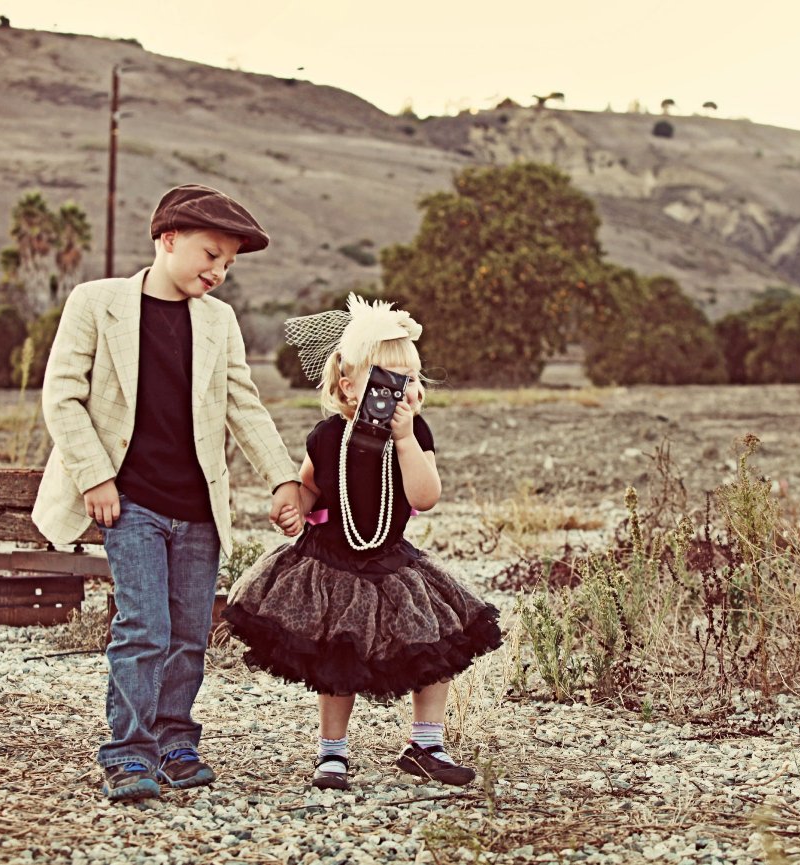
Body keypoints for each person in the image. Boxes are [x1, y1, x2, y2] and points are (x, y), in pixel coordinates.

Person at [32, 184, 303, 802]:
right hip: (129, 502)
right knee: (144, 627)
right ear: (168, 238)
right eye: (210, 254)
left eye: (228, 264)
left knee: (188, 633)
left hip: (199, 510)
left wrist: (283, 477)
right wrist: (94, 476)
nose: (219, 271)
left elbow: (243, 405)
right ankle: (128, 753)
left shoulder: (218, 321)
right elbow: (63, 396)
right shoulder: (95, 302)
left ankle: (175, 741)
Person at [222, 293, 502, 791]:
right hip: (330, 563)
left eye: (409, 379)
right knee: (339, 657)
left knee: (434, 643)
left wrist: (405, 439)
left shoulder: (415, 435)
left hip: (392, 563)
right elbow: (310, 487)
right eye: (385, 381)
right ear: (349, 386)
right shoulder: (328, 437)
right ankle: (332, 751)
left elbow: (426, 495)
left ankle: (427, 744)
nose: (399, 391)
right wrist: (294, 505)